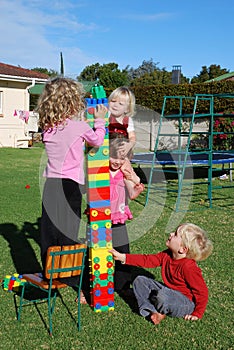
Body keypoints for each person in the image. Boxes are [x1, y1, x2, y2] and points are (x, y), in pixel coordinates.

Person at [37, 77, 107, 284]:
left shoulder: (47, 126)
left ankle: (49, 273)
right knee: (68, 230)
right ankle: (71, 276)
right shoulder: (78, 127)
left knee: (49, 232)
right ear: (72, 101)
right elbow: (97, 140)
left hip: (51, 185)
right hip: (70, 185)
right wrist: (100, 119)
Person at [109, 223, 213, 324]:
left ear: (183, 249)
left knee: (162, 296)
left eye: (176, 234)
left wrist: (197, 313)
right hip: (168, 292)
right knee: (139, 280)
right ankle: (152, 310)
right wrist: (123, 257)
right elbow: (148, 260)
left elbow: (202, 291)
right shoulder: (167, 254)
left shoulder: (188, 267)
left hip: (184, 303)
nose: (171, 234)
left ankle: (159, 307)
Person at [109, 138, 143, 294]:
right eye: (114, 157)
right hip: (100, 217)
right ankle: (89, 286)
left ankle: (122, 285)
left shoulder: (123, 170)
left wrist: (131, 176)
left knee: (123, 250)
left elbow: (136, 179)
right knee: (95, 250)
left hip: (118, 216)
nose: (117, 161)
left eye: (121, 158)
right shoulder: (102, 169)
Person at [108, 86, 144, 199]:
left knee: (126, 170)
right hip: (108, 151)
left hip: (122, 152)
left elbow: (132, 137)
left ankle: (133, 186)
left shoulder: (127, 120)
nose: (115, 105)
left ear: (127, 108)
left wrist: (129, 144)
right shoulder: (106, 117)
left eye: (120, 103)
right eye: (113, 101)